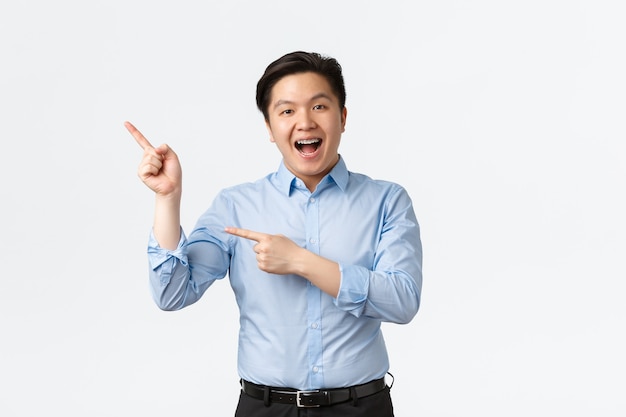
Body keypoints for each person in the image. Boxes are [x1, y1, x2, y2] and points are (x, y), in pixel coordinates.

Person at [126, 51, 423, 417]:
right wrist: (168, 200)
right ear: (269, 127)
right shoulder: (236, 205)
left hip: (361, 407)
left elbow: (402, 300)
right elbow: (172, 293)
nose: (304, 123)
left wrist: (302, 262)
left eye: (319, 107)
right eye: (286, 111)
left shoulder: (386, 201)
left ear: (343, 118)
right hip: (265, 408)